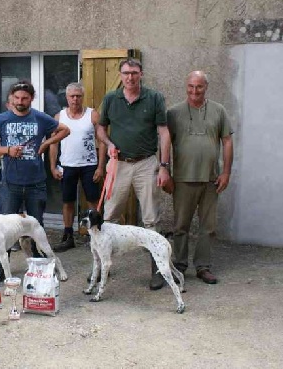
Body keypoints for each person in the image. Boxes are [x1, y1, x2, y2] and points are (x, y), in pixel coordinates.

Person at [96, 58, 172, 290]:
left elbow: (164, 132)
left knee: (151, 219)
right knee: (108, 217)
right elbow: (100, 128)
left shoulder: (155, 98)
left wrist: (164, 165)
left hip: (147, 163)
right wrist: (108, 143)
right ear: (120, 74)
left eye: (134, 73)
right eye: (126, 73)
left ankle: (158, 270)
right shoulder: (111, 98)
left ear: (141, 74)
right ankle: (100, 269)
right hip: (119, 164)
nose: (130, 77)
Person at [0, 80, 70, 261]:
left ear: (31, 99)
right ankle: (2, 267)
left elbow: (65, 130)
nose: (20, 101)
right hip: (10, 183)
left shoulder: (40, 117)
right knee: (5, 230)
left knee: (36, 227)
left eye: (24, 98)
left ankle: (39, 266)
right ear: (11, 98)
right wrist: (8, 150)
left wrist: (46, 143)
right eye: (16, 98)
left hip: (36, 184)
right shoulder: (2, 119)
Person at [166, 71, 233, 284]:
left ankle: (203, 266)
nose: (194, 91)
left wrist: (226, 172)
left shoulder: (218, 111)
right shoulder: (174, 112)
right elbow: (164, 143)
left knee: (208, 226)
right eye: (191, 86)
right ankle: (179, 265)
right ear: (186, 86)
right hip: (183, 179)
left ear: (206, 87)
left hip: (211, 179)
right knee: (180, 225)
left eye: (199, 87)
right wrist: (165, 170)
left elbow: (227, 142)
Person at [49, 82, 106, 252]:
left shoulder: (92, 115)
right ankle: (68, 236)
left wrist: (100, 167)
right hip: (67, 165)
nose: (75, 99)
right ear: (66, 97)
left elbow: (102, 142)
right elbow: (53, 144)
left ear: (83, 97)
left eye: (78, 96)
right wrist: (52, 166)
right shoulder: (59, 117)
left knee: (93, 201)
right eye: (72, 96)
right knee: (67, 201)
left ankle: (96, 235)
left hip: (89, 165)